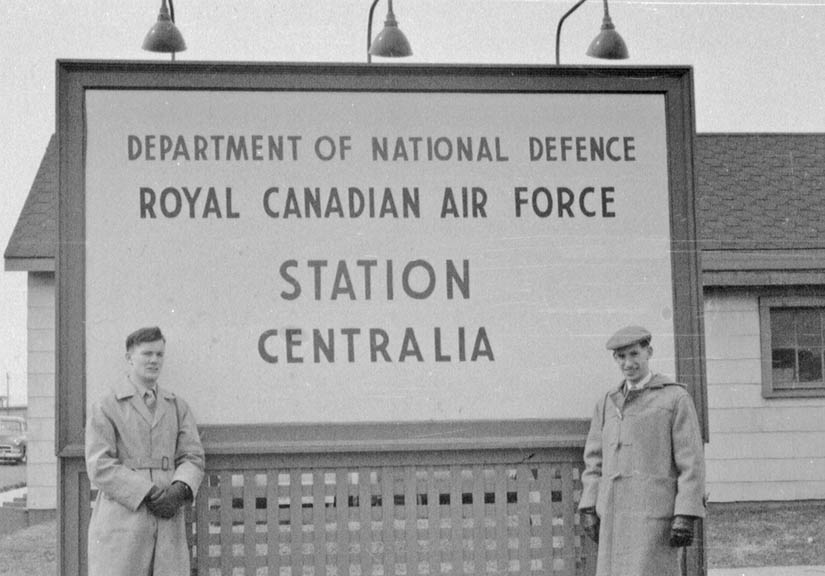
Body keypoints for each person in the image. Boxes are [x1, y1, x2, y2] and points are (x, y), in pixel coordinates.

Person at [578, 325, 705, 576]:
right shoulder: (607, 402)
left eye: (634, 354)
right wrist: (589, 506)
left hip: (654, 517)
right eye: (621, 357)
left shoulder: (674, 398)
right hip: (613, 517)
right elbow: (594, 462)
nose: (628, 363)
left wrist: (685, 514)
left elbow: (691, 463)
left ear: (649, 352)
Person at [85, 326, 205, 576]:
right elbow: (99, 464)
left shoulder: (176, 406)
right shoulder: (107, 405)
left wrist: (179, 489)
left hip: (167, 514)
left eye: (159, 354)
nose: (154, 360)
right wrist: (146, 492)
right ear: (130, 358)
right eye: (147, 353)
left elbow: (192, 456)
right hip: (123, 516)